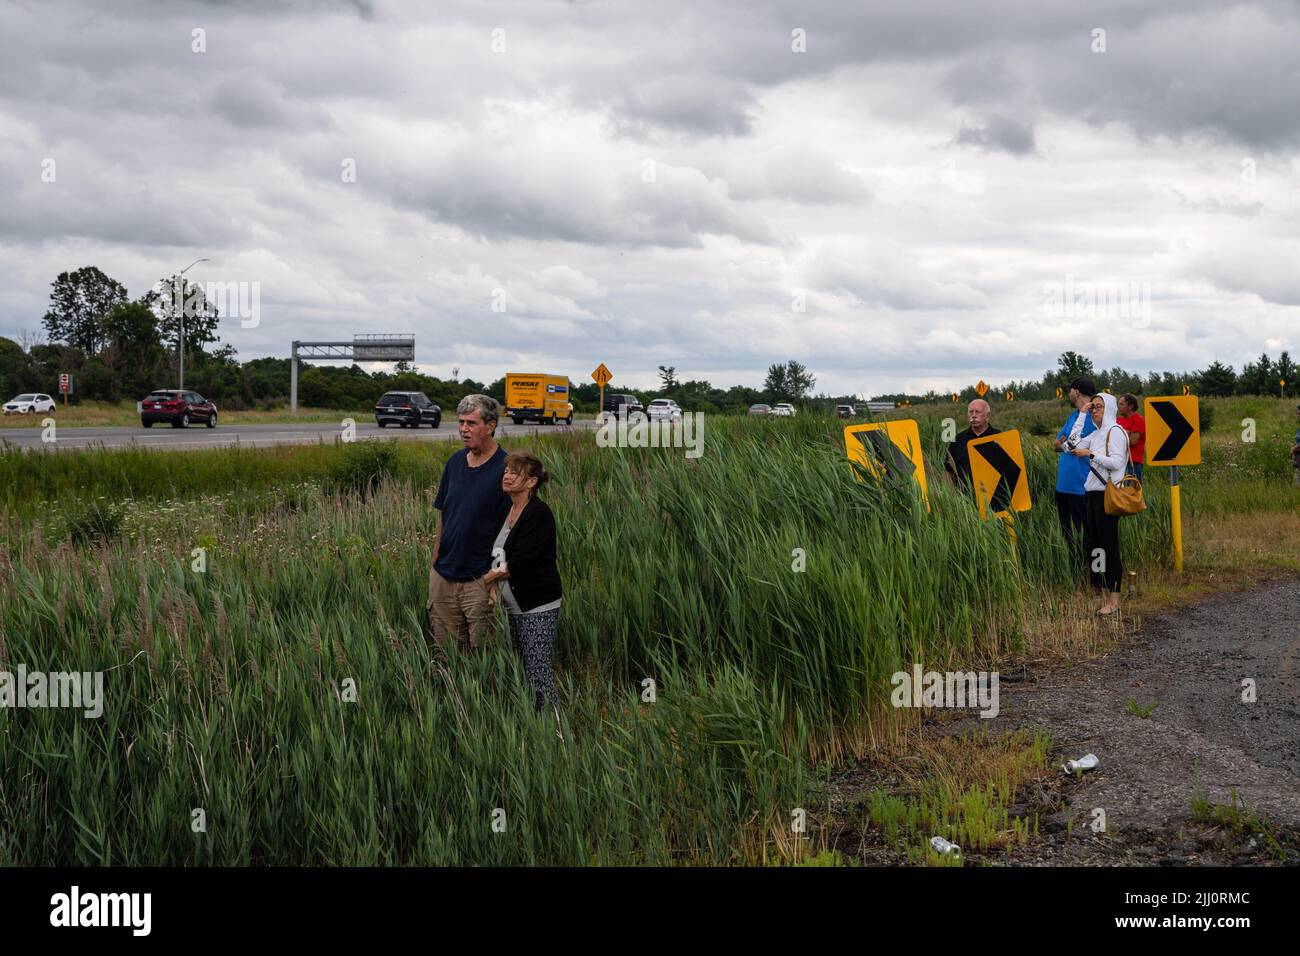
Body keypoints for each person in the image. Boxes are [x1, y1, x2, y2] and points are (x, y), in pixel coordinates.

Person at [481, 453, 564, 725]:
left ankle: (552, 729)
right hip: (510, 607)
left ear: (531, 482)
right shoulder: (506, 510)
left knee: (537, 670)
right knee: (517, 669)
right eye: (506, 471)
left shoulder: (539, 514)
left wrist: (486, 580)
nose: (506, 475)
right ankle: (525, 724)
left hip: (536, 605)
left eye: (514, 473)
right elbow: (495, 553)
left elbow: (521, 561)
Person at [427, 394, 509, 649]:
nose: (463, 429)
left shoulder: (506, 469)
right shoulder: (454, 463)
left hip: (480, 579)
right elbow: (445, 514)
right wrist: (435, 561)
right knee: (446, 654)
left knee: (485, 656)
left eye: (471, 423)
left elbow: (512, 527)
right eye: (461, 422)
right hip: (444, 576)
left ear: (491, 426)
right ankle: (450, 691)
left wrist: (495, 576)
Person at [1070, 392, 1129, 615]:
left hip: (1108, 495)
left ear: (1111, 408)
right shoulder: (1095, 434)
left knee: (1108, 547)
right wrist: (1081, 416)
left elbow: (1116, 462)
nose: (1095, 410)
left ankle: (1114, 599)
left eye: (1099, 407)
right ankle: (1099, 591)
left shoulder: (1115, 432)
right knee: (1093, 547)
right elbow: (1071, 445)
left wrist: (1091, 455)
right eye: (1093, 407)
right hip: (1091, 495)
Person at [1052, 378, 1097, 561]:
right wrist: (1065, 442)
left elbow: (1070, 445)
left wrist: (1066, 442)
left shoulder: (1092, 419)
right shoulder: (1073, 416)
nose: (1068, 394)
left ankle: (1093, 577)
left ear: (1076, 392)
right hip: (1063, 487)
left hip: (1081, 486)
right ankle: (1075, 572)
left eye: (1070, 391)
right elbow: (1056, 445)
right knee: (1068, 536)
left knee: (1086, 536)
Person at [945, 398, 1009, 511]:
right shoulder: (958, 440)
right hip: (965, 504)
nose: (973, 415)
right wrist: (951, 497)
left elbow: (1010, 469)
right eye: (971, 412)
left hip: (996, 503)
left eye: (977, 412)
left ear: (987, 416)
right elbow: (949, 471)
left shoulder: (1000, 437)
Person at [1117, 393, 1146, 480]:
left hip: (1133, 461)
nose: (1119, 407)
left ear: (1130, 406)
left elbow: (1133, 441)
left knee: (1132, 490)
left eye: (1122, 404)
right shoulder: (1118, 420)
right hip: (1119, 460)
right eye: (1119, 404)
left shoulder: (1139, 420)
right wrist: (1127, 432)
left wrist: (1119, 433)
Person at [1291, 404, 1300, 487]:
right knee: (1296, 483)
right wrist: (1293, 453)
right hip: (1297, 459)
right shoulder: (1298, 428)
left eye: (1298, 413)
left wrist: (1293, 449)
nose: (1297, 416)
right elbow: (1296, 441)